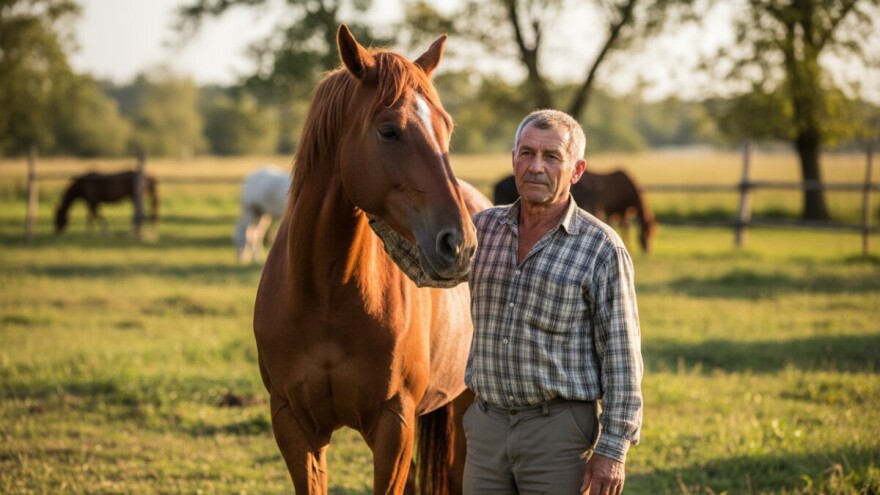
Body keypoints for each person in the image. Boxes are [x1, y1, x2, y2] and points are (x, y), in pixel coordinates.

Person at [370, 109, 643, 495]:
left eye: (552, 157)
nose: (536, 167)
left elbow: (622, 359)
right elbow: (430, 272)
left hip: (558, 433)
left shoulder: (601, 249)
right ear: (513, 159)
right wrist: (376, 216)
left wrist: (612, 451)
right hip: (486, 430)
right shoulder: (484, 229)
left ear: (576, 171)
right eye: (527, 153)